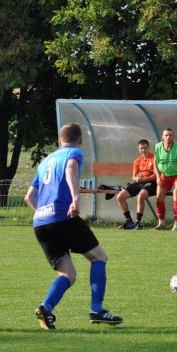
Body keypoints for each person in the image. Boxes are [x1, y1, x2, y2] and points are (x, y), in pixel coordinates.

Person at [25, 123, 123, 329]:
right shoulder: (74, 153)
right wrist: (75, 199)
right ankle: (97, 309)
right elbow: (70, 167)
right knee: (99, 256)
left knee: (68, 274)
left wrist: (43, 214)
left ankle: (46, 307)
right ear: (80, 140)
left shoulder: (45, 161)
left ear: (59, 140)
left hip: (41, 223)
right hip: (63, 215)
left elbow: (29, 197)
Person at [152, 128, 177, 230]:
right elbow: (155, 162)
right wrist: (157, 176)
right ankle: (161, 223)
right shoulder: (158, 147)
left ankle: (176, 224)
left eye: (170, 135)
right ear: (162, 137)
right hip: (164, 175)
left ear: (173, 137)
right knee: (159, 196)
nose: (168, 137)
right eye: (166, 135)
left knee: (176, 194)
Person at [115, 139, 157, 230]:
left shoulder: (154, 158)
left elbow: (156, 176)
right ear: (138, 149)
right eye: (141, 148)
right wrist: (136, 178)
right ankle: (129, 221)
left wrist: (143, 179)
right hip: (139, 183)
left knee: (141, 196)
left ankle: (138, 223)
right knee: (120, 196)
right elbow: (133, 177)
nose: (143, 150)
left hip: (151, 183)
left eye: (145, 148)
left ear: (149, 147)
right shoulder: (137, 160)